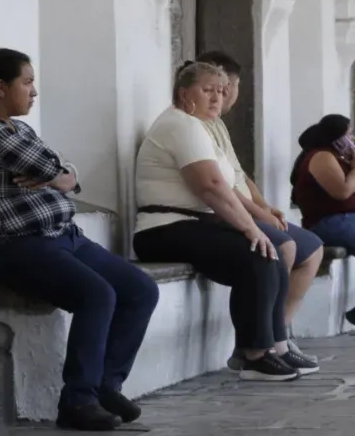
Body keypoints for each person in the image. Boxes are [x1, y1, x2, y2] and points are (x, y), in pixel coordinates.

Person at [0, 48, 158, 430]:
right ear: (0, 88)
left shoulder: (20, 129)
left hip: (66, 236)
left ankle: (106, 384)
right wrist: (57, 173)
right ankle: (78, 400)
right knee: (97, 294)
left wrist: (60, 174)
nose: (34, 92)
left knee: (140, 289)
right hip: (20, 246)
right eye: (27, 82)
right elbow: (49, 167)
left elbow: (65, 170)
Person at [129, 63, 302, 378]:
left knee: (268, 253)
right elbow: (210, 187)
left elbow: (228, 187)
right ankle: (253, 354)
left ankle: (272, 346)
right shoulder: (180, 124)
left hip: (194, 224)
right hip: (163, 229)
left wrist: (254, 227)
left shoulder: (199, 126)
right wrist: (251, 229)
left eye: (221, 92)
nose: (216, 98)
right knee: (259, 254)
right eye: (207, 90)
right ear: (184, 93)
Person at [193, 51, 326, 358]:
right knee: (281, 247)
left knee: (313, 248)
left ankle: (281, 331)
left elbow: (239, 175)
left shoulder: (217, 126)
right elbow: (217, 186)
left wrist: (265, 206)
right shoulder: (192, 126)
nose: (223, 96)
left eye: (222, 90)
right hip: (223, 215)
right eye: (212, 89)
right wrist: (256, 216)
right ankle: (261, 343)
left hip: (246, 209)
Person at [290, 113, 355, 253]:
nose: (352, 139)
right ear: (337, 138)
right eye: (348, 135)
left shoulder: (341, 159)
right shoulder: (321, 156)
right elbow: (342, 192)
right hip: (330, 223)